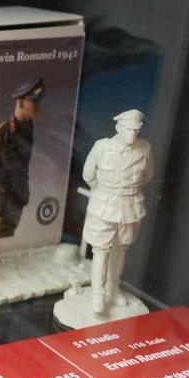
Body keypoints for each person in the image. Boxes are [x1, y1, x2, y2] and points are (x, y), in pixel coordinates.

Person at [82, 109, 154, 314]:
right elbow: (88, 174)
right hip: (104, 205)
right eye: (129, 129)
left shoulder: (145, 149)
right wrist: (102, 192)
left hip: (130, 206)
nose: (133, 134)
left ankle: (113, 287)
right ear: (118, 127)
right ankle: (98, 294)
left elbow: (148, 175)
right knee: (100, 250)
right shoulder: (102, 147)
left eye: (136, 130)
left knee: (122, 248)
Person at [0, 78, 46, 238]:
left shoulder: (27, 128)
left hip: (15, 202)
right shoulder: (4, 133)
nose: (37, 106)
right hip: (1, 206)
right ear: (21, 103)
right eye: (33, 102)